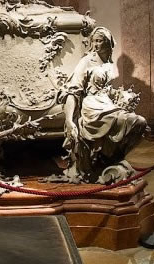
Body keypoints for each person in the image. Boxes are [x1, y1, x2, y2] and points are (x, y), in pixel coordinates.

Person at [59, 26, 148, 181]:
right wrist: (68, 120)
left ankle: (112, 158)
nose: (96, 45)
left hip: (106, 102)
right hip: (92, 105)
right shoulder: (86, 61)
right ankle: (106, 159)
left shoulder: (108, 63)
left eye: (100, 41)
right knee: (127, 121)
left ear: (108, 44)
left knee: (139, 123)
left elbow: (106, 88)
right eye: (94, 41)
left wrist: (121, 96)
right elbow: (72, 90)